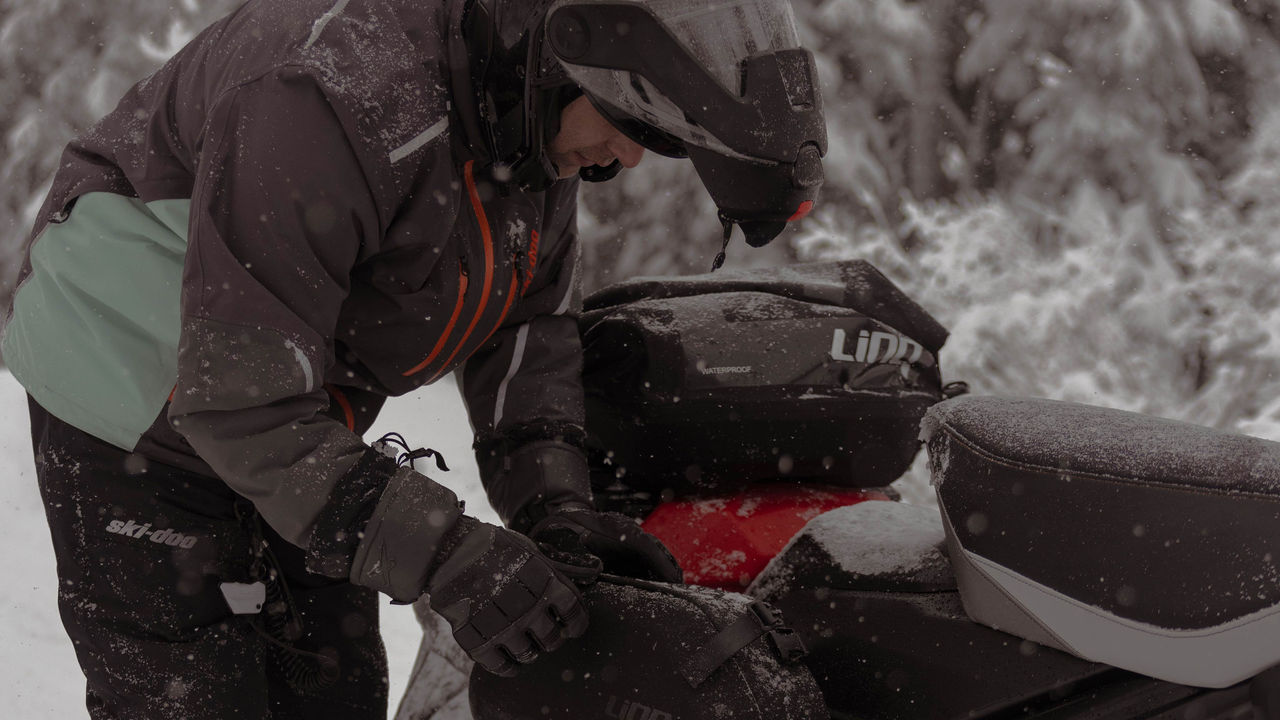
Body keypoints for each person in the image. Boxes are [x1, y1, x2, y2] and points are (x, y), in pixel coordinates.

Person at [1, 0, 825, 716]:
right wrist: (446, 554)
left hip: (291, 415)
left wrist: (555, 511)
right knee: (194, 691)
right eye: (635, 124)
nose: (633, 156)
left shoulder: (528, 121)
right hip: (130, 387)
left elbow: (526, 328)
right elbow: (237, 402)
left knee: (330, 686)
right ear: (559, 59)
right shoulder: (334, 96)